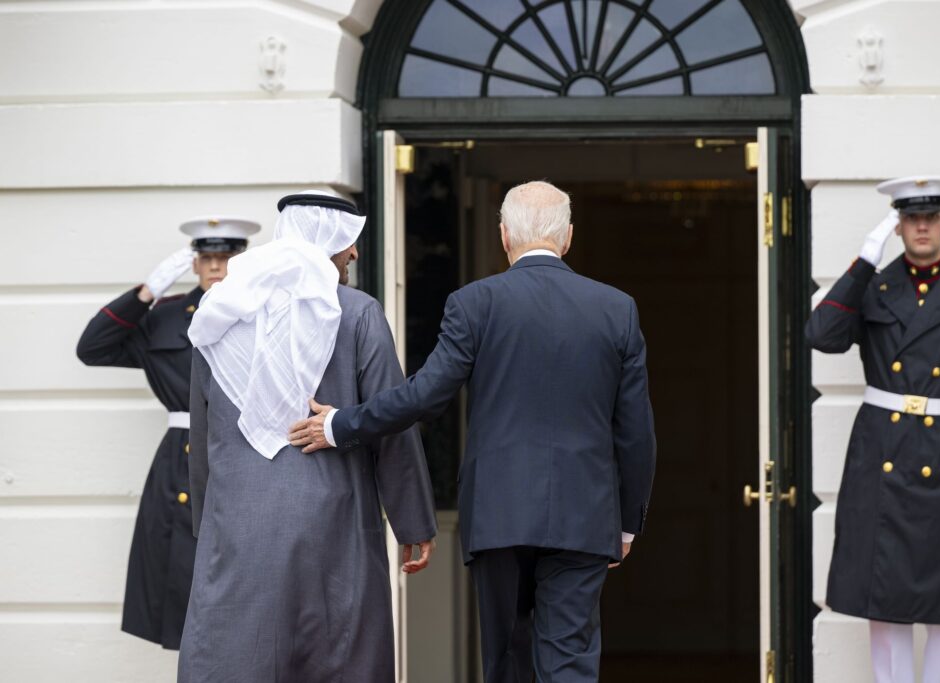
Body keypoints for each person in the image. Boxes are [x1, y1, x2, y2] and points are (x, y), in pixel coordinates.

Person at [289, 180, 657, 683]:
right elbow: (636, 431)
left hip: (500, 511)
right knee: (569, 659)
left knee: (507, 658)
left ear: (504, 235)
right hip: (585, 515)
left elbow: (424, 396)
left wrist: (340, 424)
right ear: (568, 237)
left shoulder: (474, 302)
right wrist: (627, 522)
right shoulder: (617, 308)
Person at [178, 191, 436, 683]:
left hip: (237, 526)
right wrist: (414, 522)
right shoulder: (358, 313)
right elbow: (390, 422)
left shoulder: (222, 310)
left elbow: (203, 428)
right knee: (339, 652)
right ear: (325, 241)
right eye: (348, 243)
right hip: (333, 526)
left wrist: (207, 525)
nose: (354, 254)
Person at [806, 176, 940, 683]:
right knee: (885, 601)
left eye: (930, 217)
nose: (921, 227)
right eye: (910, 219)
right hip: (882, 454)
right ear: (897, 227)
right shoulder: (875, 288)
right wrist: (862, 261)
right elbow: (822, 335)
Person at [76, 216, 259, 649]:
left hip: (249, 447)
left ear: (243, 261)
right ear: (193, 264)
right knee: (180, 563)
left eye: (227, 256)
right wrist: (146, 294)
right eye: (207, 257)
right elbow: (92, 349)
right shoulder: (166, 316)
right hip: (183, 453)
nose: (216, 266)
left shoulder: (262, 311)